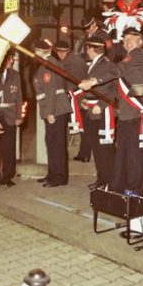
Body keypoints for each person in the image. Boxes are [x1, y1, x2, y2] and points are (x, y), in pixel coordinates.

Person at [110, 20, 143, 195]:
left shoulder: (137, 55)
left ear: (140, 41)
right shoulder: (128, 58)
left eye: (131, 38)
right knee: (124, 155)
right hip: (128, 114)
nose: (127, 41)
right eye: (125, 39)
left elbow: (118, 70)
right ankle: (120, 187)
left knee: (136, 156)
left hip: (137, 114)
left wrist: (95, 79)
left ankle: (135, 190)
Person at [76, 37, 118, 188]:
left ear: (92, 49)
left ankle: (111, 180)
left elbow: (114, 87)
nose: (86, 51)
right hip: (92, 110)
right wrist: (86, 100)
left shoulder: (107, 64)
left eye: (87, 48)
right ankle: (102, 178)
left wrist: (101, 104)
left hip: (102, 111)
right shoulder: (94, 64)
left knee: (105, 148)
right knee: (97, 147)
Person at [32, 39, 72, 187]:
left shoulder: (49, 65)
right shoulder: (47, 64)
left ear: (44, 52)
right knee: (51, 142)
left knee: (57, 143)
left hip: (55, 110)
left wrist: (50, 113)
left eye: (36, 52)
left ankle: (60, 176)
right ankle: (53, 173)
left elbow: (51, 90)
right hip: (53, 108)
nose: (35, 55)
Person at [73, 13, 109, 162]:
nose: (87, 30)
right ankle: (85, 152)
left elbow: (108, 57)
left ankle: (87, 152)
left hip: (96, 81)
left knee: (91, 120)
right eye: (85, 29)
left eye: (88, 27)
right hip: (85, 77)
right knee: (84, 118)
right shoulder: (84, 39)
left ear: (94, 24)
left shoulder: (103, 36)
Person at [54, 41, 89, 161]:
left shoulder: (65, 63)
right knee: (84, 127)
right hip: (82, 96)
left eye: (59, 52)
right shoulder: (78, 59)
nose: (58, 55)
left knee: (78, 127)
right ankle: (84, 153)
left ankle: (82, 153)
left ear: (63, 52)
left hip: (74, 97)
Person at [0, 52, 23, 187]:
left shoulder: (15, 75)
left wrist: (19, 116)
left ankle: (7, 176)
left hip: (10, 115)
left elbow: (19, 96)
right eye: (10, 59)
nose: (12, 61)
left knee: (9, 147)